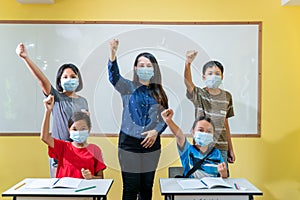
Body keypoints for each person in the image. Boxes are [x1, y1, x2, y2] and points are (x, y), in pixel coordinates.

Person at [107, 39, 169, 200]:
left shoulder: (159, 92)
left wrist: (156, 131)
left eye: (149, 66)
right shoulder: (127, 87)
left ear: (154, 69)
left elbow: (163, 119)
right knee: (130, 187)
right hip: (129, 144)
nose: (145, 68)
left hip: (151, 145)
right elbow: (114, 77)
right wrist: (113, 54)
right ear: (135, 68)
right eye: (141, 65)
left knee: (146, 188)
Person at [16, 43, 89, 176]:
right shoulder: (56, 97)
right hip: (59, 152)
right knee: (59, 191)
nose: (69, 79)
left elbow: (85, 128)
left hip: (78, 152)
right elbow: (42, 80)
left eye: (73, 76)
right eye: (65, 77)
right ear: (59, 81)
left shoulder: (83, 101)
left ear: (78, 80)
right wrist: (26, 58)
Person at [184, 50, 235, 168]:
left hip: (221, 147)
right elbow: (188, 83)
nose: (214, 76)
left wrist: (230, 149)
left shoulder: (227, 96)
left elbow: (225, 123)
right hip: (201, 146)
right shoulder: (199, 94)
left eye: (217, 73)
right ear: (203, 77)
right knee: (200, 179)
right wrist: (188, 63)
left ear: (222, 77)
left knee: (222, 181)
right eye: (210, 73)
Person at [41, 95, 106, 179]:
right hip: (65, 191)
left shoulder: (95, 150)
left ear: (89, 129)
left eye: (83, 129)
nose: (78, 132)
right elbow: (45, 137)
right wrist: (48, 111)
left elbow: (101, 178)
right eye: (74, 129)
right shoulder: (63, 147)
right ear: (69, 130)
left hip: (86, 191)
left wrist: (91, 177)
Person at [161, 109, 228, 178]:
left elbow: (224, 177)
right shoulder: (187, 150)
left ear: (213, 135)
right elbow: (179, 136)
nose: (204, 133)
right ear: (193, 132)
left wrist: (223, 173)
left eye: (209, 131)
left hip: (211, 188)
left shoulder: (216, 153)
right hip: (191, 187)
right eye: (201, 130)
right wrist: (168, 121)